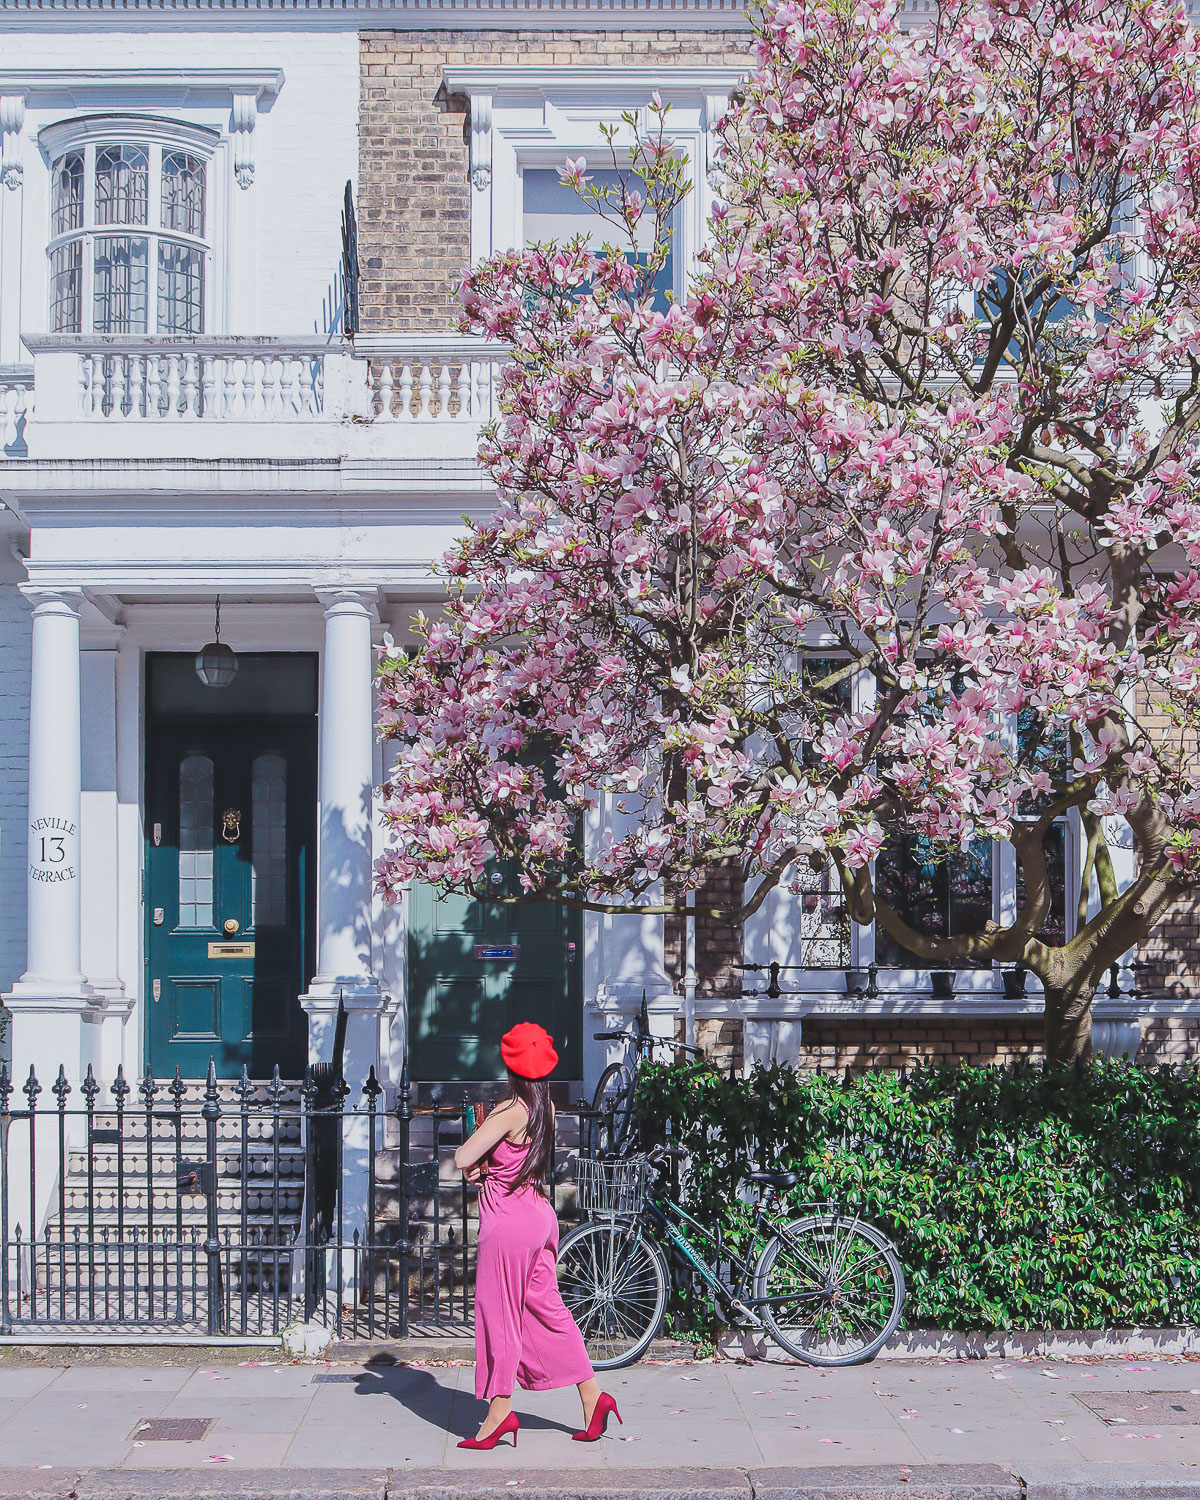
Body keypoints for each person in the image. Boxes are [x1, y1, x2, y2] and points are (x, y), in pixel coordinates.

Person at [453, 1021, 622, 1450]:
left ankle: (498, 1414)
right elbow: (513, 1161)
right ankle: (593, 1398)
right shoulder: (544, 1107)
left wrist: (479, 1155)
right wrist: (489, 1168)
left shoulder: (510, 1109)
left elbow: (463, 1156)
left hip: (507, 1223)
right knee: (548, 1311)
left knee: (501, 1316)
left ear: (511, 1065)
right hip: (538, 1216)